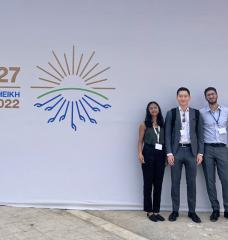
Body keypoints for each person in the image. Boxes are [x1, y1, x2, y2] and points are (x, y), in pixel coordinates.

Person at [165, 87, 204, 223]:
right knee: (175, 182)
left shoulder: (196, 113)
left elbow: (200, 134)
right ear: (177, 98)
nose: (183, 98)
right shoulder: (172, 113)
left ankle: (192, 211)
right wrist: (169, 152)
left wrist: (200, 152)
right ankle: (175, 211)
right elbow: (167, 135)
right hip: (176, 152)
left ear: (189, 97)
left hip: (191, 152)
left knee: (191, 183)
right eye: (180, 96)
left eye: (185, 96)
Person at [200, 87, 228, 222]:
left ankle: (227, 209)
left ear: (217, 95)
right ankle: (215, 209)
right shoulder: (201, 113)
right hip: (208, 149)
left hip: (223, 149)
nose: (211, 96)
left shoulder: (226, 111)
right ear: (206, 97)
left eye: (213, 94)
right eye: (208, 95)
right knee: (210, 181)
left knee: (226, 180)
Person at [138, 101, 166, 222]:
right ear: (148, 111)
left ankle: (156, 210)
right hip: (148, 152)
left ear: (158, 109)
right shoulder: (144, 124)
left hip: (161, 153)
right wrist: (139, 153)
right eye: (151, 108)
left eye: (155, 107)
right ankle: (149, 211)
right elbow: (140, 141)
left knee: (158, 183)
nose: (153, 109)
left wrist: (166, 156)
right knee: (148, 183)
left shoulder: (162, 124)